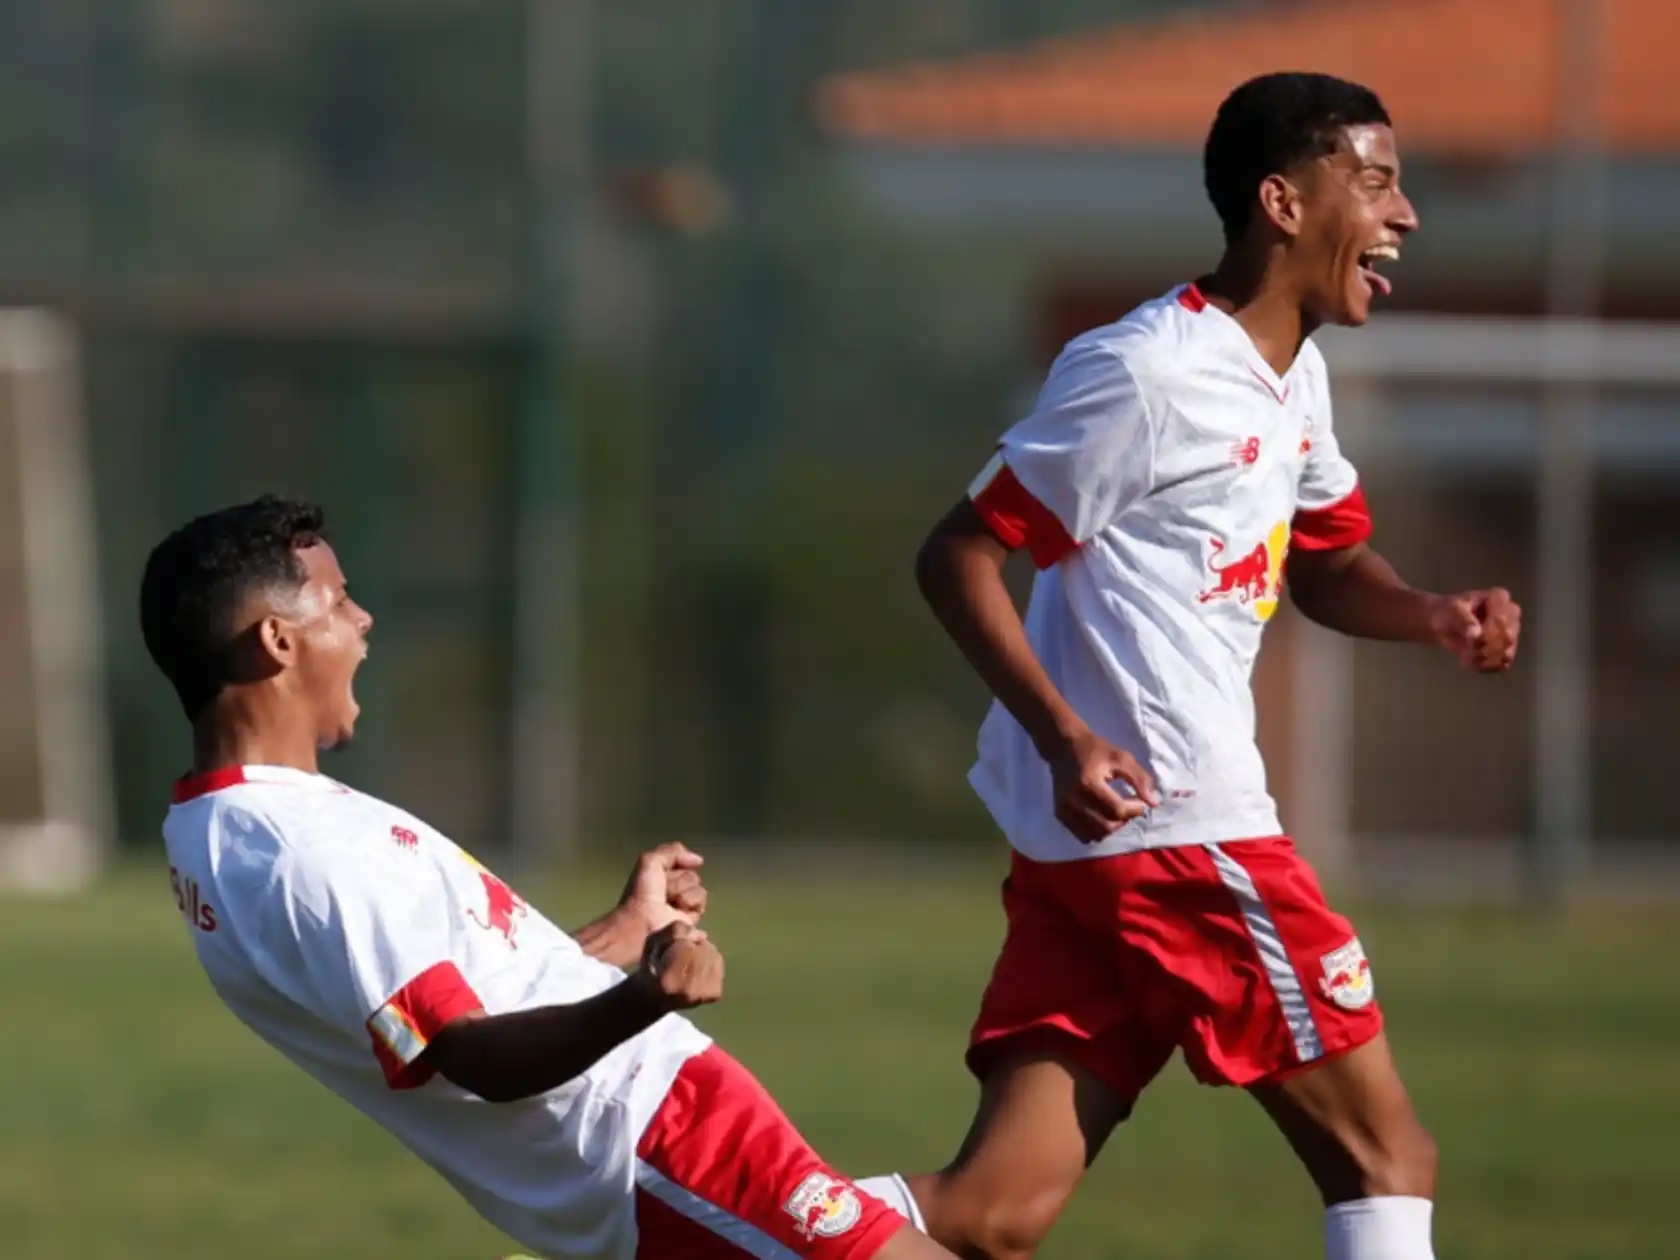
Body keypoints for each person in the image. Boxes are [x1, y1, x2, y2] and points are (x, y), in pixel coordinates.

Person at [859, 73, 1523, 1260]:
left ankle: (678, 1232)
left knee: (991, 1214)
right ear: (1282, 201)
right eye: (1375, 182)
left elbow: (1325, 564)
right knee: (1385, 1158)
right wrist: (1066, 732)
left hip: (1101, 852)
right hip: (1178, 830)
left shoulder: (1293, 375)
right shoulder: (1146, 372)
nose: (1406, 214)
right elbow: (959, 556)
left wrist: (1430, 613)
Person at [144, 495, 954, 1260]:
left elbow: (487, 996)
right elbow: (475, 1058)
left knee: (994, 1211)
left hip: (658, 1134)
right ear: (279, 641)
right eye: (339, 600)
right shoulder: (303, 852)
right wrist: (646, 993)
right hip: (654, 1144)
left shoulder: (220, 829)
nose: (364, 620)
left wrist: (625, 929)